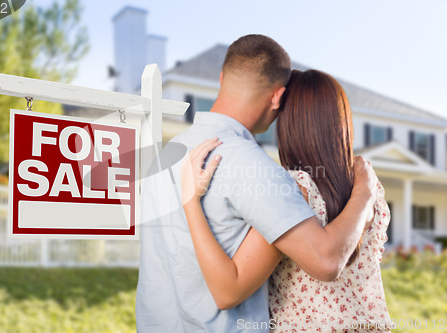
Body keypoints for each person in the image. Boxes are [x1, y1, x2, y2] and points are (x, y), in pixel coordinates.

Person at [136, 34, 376, 332]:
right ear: (277, 97)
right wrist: (365, 192)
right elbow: (326, 262)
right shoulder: (253, 166)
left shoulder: (164, 158)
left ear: (223, 77)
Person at [180, 70, 393, 332]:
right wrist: (364, 193)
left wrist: (190, 201)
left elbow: (228, 290)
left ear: (290, 124)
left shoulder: (295, 189)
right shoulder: (370, 186)